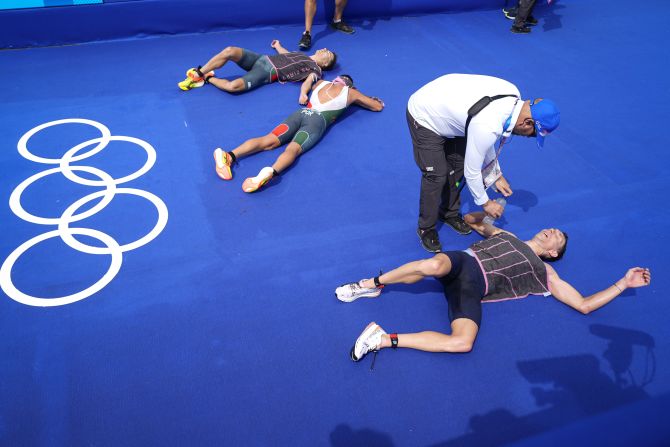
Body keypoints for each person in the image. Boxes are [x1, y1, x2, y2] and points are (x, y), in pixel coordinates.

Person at [335, 212, 651, 362]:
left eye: (557, 237)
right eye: (552, 228)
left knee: (463, 343)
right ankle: (370, 284)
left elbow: (583, 304)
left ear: (553, 252)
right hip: (463, 263)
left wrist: (623, 283)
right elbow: (474, 222)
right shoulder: (507, 237)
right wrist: (485, 210)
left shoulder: (546, 273)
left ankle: (382, 339)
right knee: (433, 264)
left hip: (473, 290)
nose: (552, 231)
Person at [407, 73, 560, 253]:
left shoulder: (513, 94)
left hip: (452, 109)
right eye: (532, 135)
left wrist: (496, 175)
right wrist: (486, 203)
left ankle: (448, 213)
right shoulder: (487, 125)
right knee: (437, 176)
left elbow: (485, 141)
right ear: (527, 123)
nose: (528, 137)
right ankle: (426, 228)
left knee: (456, 167)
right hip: (426, 115)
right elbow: (472, 170)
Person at [211, 74, 384, 192]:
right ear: (350, 85)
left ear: (336, 79)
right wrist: (365, 99)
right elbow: (376, 107)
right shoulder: (351, 93)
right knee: (292, 150)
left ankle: (229, 155)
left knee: (268, 140)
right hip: (317, 121)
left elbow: (308, 82)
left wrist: (303, 93)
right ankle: (270, 172)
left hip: (299, 114)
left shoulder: (321, 83)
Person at [178, 40, 336, 93]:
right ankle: (198, 73)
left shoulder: (316, 69)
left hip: (268, 72)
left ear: (325, 64)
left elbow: (309, 81)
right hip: (262, 59)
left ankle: (208, 78)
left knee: (233, 87)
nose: (326, 50)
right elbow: (286, 55)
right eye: (327, 49)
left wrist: (303, 93)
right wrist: (278, 46)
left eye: (328, 54)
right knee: (230, 50)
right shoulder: (303, 56)